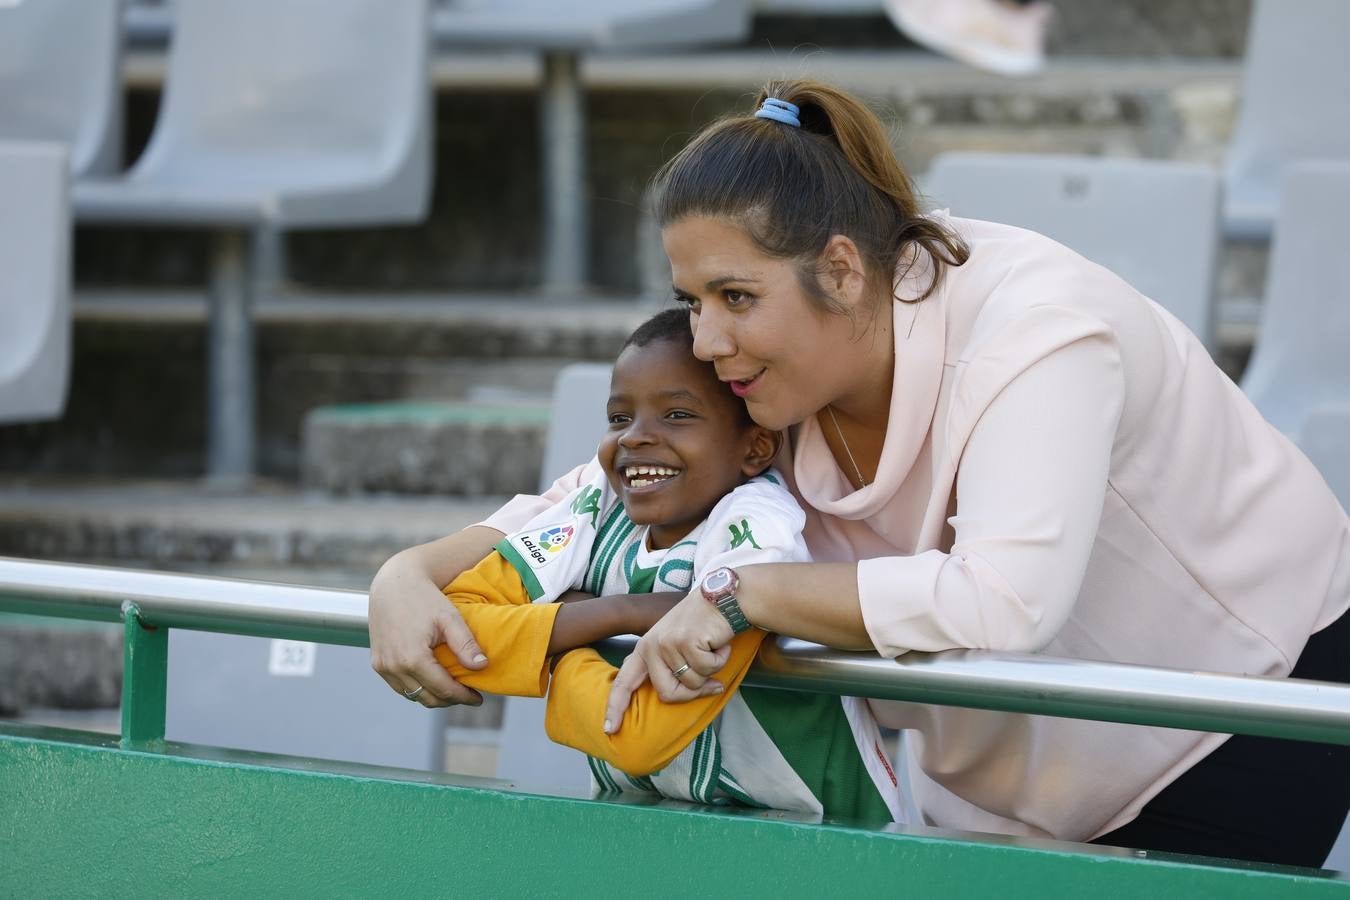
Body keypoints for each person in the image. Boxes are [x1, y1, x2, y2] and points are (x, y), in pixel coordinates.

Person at [369, 80, 1350, 867]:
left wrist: (739, 594)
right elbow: (593, 495)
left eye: (736, 296)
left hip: (1245, 703)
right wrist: (413, 572)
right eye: (691, 301)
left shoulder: (1043, 331)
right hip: (1009, 775)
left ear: (841, 270)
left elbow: (1006, 603)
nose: (706, 341)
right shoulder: (767, 378)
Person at [421, 309, 902, 820]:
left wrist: (548, 647)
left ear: (756, 447)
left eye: (677, 415)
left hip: (823, 841)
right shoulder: (598, 502)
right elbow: (452, 635)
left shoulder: (758, 531)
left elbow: (637, 734)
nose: (635, 437)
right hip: (663, 827)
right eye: (619, 417)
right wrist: (619, 614)